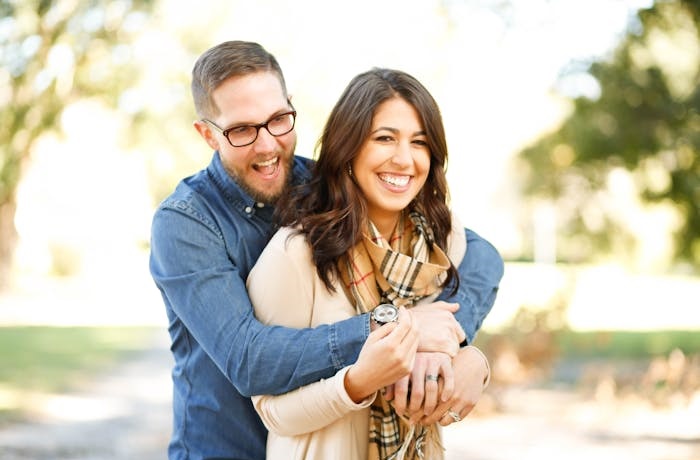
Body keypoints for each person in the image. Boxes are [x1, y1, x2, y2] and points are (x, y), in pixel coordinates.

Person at [149, 40, 504, 460]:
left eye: (279, 119)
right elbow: (248, 358)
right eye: (241, 129)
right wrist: (395, 329)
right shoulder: (187, 222)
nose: (267, 146)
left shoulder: (327, 186)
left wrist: (455, 343)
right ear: (207, 133)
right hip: (224, 449)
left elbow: (480, 255)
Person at [247, 67, 491, 460]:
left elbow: (448, 329)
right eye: (384, 139)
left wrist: (473, 360)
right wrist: (357, 382)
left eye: (420, 142)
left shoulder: (439, 241)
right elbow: (272, 411)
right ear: (349, 148)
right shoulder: (295, 254)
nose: (404, 159)